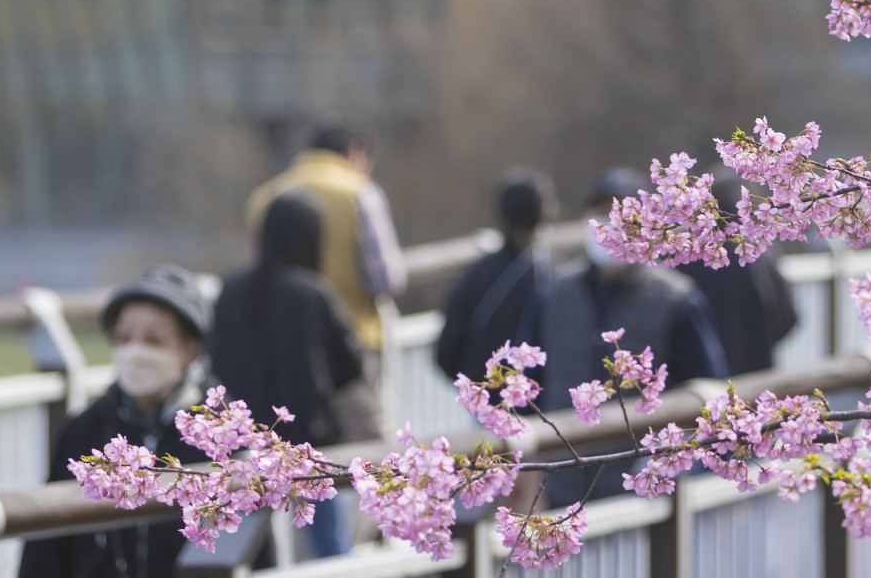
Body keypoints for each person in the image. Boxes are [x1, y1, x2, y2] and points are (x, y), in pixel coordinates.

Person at [536, 169, 728, 507]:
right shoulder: (555, 290)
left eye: (622, 214)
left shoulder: (676, 298)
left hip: (642, 491)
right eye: (599, 213)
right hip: (561, 482)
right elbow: (532, 378)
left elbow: (706, 386)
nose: (609, 224)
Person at [18, 265, 213, 578]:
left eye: (154, 340)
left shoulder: (220, 433)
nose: (135, 351)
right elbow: (45, 548)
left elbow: (252, 548)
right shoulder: (86, 430)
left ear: (190, 348)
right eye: (123, 337)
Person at [211, 192, 366, 558]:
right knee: (327, 543)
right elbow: (350, 365)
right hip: (305, 442)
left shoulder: (231, 291)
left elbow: (214, 359)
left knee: (250, 544)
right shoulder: (312, 293)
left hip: (243, 443)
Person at [246, 124, 406, 358]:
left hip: (280, 341)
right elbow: (386, 279)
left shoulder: (264, 196)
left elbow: (254, 269)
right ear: (355, 152)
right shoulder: (361, 193)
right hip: (352, 339)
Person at [435, 169, 556, 382]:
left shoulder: (477, 273)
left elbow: (447, 349)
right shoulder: (553, 273)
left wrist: (475, 383)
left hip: (487, 400)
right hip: (542, 404)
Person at [678, 175, 799, 375]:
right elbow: (788, 315)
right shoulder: (761, 251)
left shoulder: (690, 252)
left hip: (700, 371)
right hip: (757, 367)